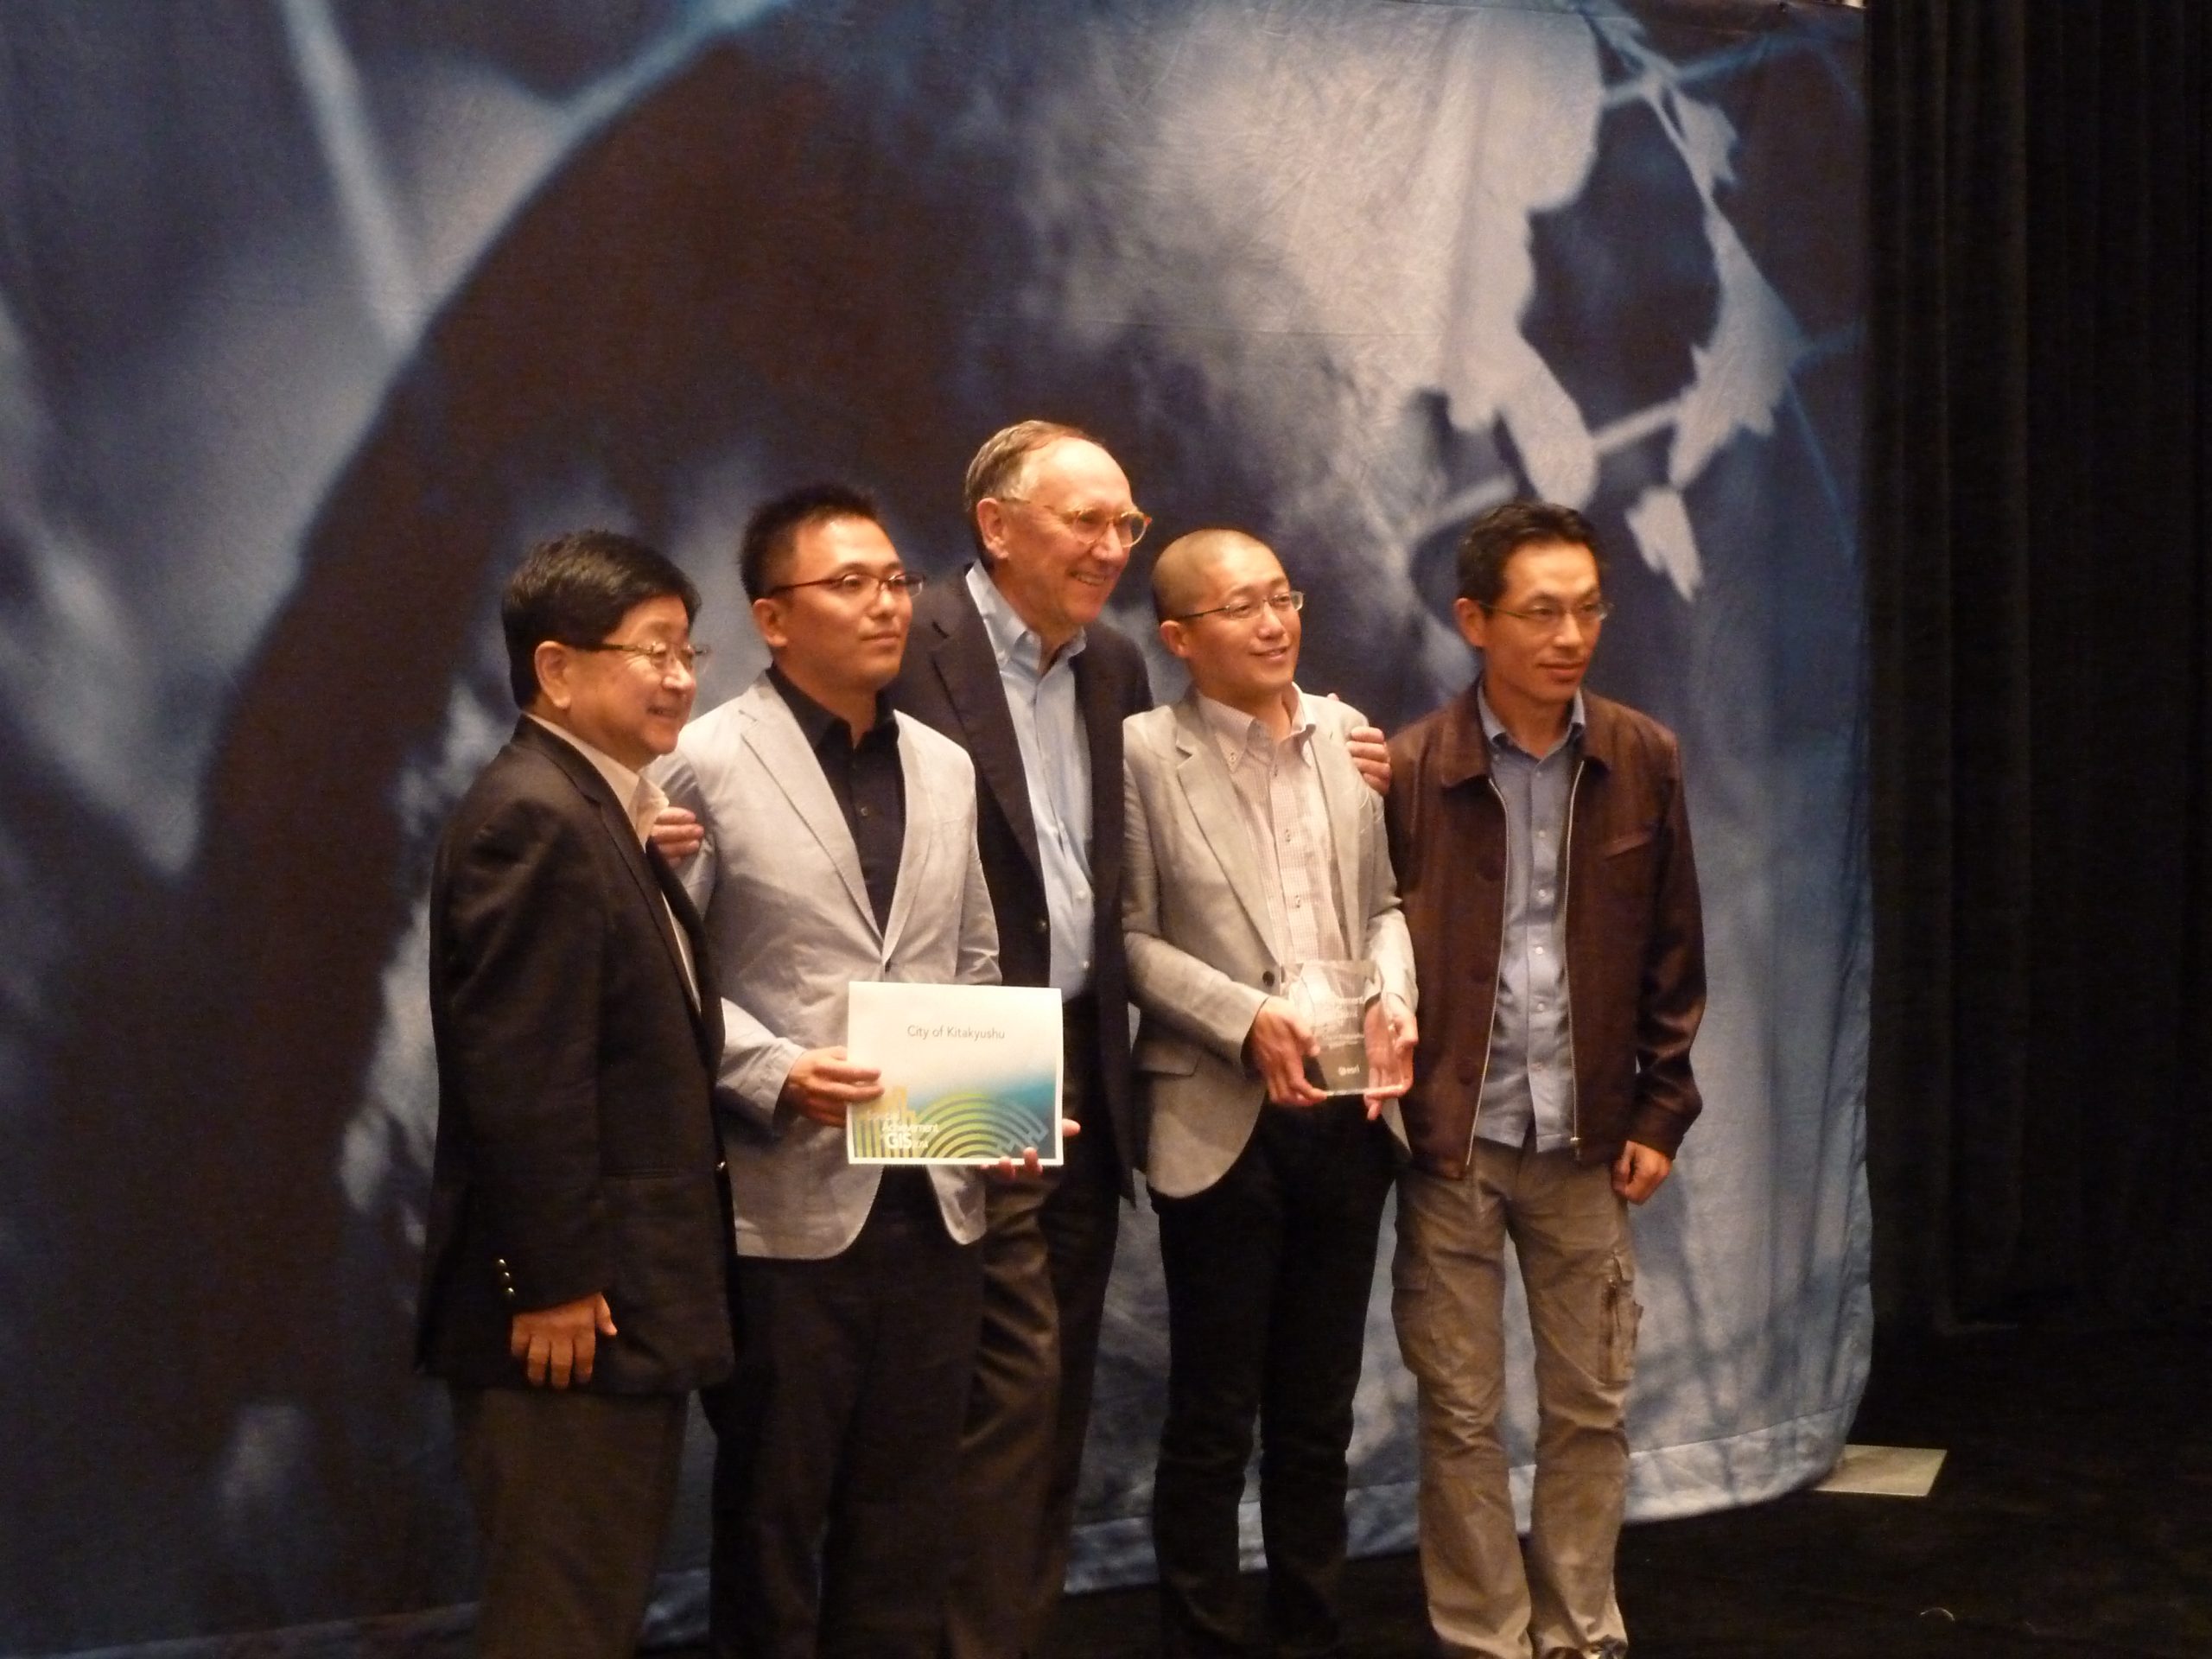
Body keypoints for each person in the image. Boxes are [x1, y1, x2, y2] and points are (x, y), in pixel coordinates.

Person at [659, 484, 1000, 1659]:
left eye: (897, 580)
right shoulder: (701, 761)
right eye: (849, 584)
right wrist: (775, 1070)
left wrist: (995, 1103)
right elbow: (662, 973)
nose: (886, 604)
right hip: (784, 1206)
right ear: (772, 617)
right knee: (773, 1520)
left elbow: (971, 956)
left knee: (907, 1520)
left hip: (933, 1195)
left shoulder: (945, 765)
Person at [1384, 500, 1706, 1659]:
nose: (1570, 636)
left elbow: (1675, 949)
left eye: (1588, 610)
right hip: (1454, 1143)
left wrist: (1662, 1107)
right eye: (1540, 612)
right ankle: (1485, 1634)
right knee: (1460, 1412)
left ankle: (1579, 1629)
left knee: (1591, 1405)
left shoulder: (1641, 755)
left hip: (1586, 1140)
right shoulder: (1411, 767)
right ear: (1475, 621)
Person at [416, 530, 731, 1659]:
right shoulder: (533, 818)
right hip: (569, 1319)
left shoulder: (596, 809)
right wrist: (551, 1281)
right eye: (652, 649)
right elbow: (522, 1076)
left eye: (688, 650)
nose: (681, 676)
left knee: (595, 1604)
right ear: (556, 668)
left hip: (621, 1303)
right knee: (561, 1618)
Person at [882, 420, 1154, 1659]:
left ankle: (1011, 1629)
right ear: (995, 526)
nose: (1111, 547)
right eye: (1084, 521)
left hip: (1088, 1048)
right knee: (975, 1386)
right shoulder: (908, 640)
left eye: (1125, 524)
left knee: (1053, 1393)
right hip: (959, 1039)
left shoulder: (1116, 666)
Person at [1121, 528, 1419, 1658]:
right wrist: (1244, 1019)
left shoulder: (1348, 734)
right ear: (1179, 636)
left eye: (1284, 597)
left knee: (1317, 1414)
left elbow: (1385, 905)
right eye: (1241, 606)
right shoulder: (1143, 753)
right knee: (1212, 1416)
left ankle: (1310, 1632)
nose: (1273, 621)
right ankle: (1201, 1638)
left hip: (1350, 1110)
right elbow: (1128, 939)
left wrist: (1395, 992)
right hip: (1219, 1115)